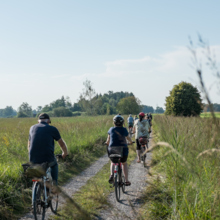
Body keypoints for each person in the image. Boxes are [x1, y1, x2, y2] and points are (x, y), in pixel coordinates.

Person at [28, 113, 68, 184]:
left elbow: (29, 145)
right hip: (48, 157)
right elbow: (61, 144)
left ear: (38, 121)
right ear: (48, 121)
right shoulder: (52, 129)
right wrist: (64, 153)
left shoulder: (32, 128)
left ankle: (36, 189)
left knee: (36, 174)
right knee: (54, 165)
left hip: (33, 157)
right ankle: (55, 185)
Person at [105, 115, 133, 186]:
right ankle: (126, 180)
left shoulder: (111, 129)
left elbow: (108, 140)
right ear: (122, 122)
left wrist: (107, 143)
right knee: (124, 163)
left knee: (113, 162)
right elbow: (128, 138)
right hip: (123, 149)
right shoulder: (124, 129)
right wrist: (131, 142)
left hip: (112, 149)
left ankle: (111, 175)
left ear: (113, 122)